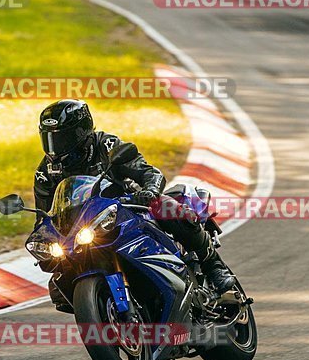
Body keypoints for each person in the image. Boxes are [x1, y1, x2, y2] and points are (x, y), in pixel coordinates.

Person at [33, 99, 236, 312]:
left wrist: (149, 191)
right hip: (84, 229)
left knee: (166, 208)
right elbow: (45, 216)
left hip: (129, 208)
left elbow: (149, 172)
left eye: (62, 138)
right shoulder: (46, 172)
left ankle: (213, 266)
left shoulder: (106, 145)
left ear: (82, 132)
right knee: (59, 289)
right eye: (49, 139)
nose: (56, 147)